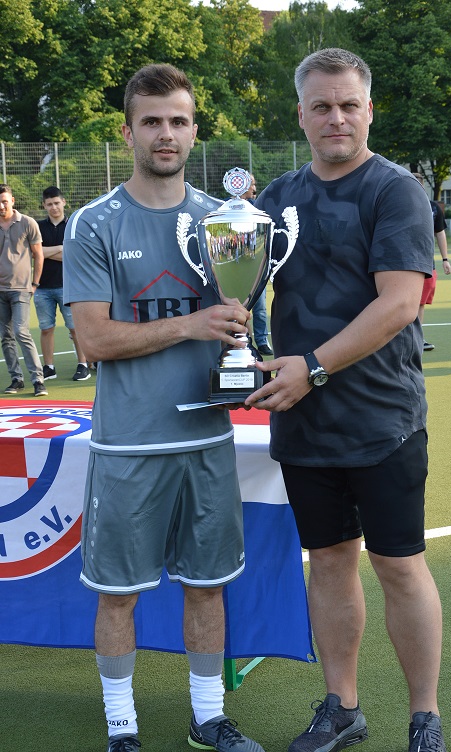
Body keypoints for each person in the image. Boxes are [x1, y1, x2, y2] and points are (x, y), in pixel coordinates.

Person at [246, 49, 446, 752]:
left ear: (369, 111)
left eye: (348, 105)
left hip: (382, 417)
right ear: (300, 115)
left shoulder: (395, 190)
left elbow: (397, 305)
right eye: (322, 106)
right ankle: (342, 707)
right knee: (329, 561)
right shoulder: (275, 197)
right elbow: (238, 282)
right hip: (305, 418)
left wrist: (312, 369)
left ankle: (424, 717)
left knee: (398, 564)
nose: (337, 118)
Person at [63, 63, 263, 752]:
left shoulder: (224, 221)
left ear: (194, 130)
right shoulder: (94, 223)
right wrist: (193, 324)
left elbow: (243, 319)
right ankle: (122, 726)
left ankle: (209, 716)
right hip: (128, 444)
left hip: (206, 439)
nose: (166, 134)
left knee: (207, 587)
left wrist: (244, 343)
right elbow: (93, 340)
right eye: (152, 121)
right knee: (118, 593)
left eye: (178, 120)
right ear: (128, 133)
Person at [35, 186, 91, 381]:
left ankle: (83, 365)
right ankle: (49, 367)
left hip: (69, 287)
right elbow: (35, 253)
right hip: (42, 288)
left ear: (64, 202)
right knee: (46, 329)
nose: (54, 207)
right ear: (44, 205)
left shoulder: (73, 225)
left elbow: (75, 254)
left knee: (75, 328)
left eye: (57, 203)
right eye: (49, 204)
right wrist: (60, 248)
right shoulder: (38, 227)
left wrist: (46, 252)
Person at [0, 183, 48, 396]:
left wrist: (35, 283)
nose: (1, 206)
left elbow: (39, 255)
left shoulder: (28, 223)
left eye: (4, 201)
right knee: (6, 336)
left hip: (21, 288)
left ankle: (38, 380)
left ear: (12, 201)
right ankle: (16, 379)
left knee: (21, 332)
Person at [412, 174, 451, 351]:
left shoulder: (433, 208)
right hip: (404, 262)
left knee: (420, 302)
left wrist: (445, 259)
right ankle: (403, 339)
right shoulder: (399, 204)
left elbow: (440, 233)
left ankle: (417, 339)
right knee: (402, 300)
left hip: (427, 263)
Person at [241, 175, 273, 356]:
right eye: (252, 184)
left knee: (260, 308)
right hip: (238, 267)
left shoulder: (258, 207)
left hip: (257, 266)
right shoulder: (227, 206)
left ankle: (261, 341)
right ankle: (244, 340)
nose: (254, 188)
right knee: (239, 309)